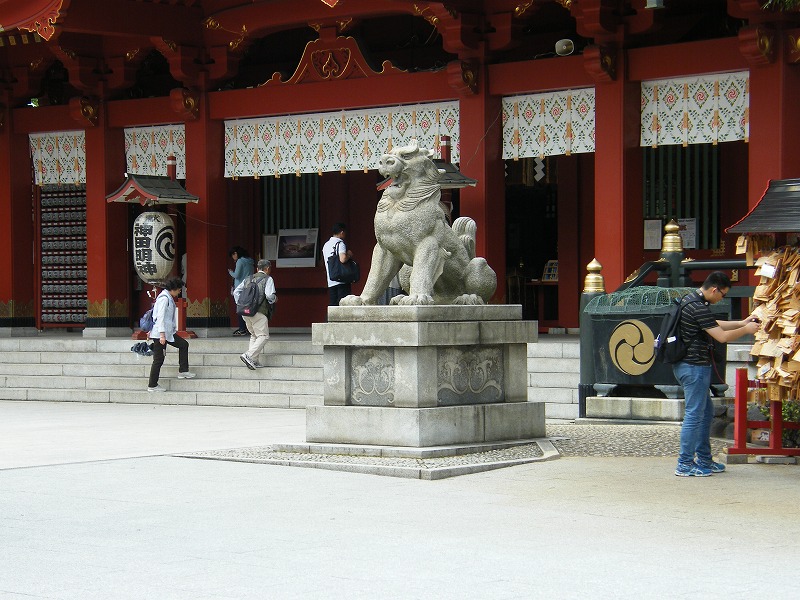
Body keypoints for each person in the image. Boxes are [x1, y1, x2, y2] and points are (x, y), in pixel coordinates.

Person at [673, 271, 760, 477]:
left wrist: (741, 322)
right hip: (694, 367)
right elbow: (721, 336)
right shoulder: (697, 306)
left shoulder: (691, 300)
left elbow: (713, 323)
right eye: (723, 294)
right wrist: (747, 330)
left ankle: (704, 459)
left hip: (689, 366)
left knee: (705, 414)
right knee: (694, 415)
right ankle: (684, 464)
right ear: (714, 289)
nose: (722, 298)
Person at [147, 277, 195, 392]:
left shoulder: (167, 297)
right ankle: (152, 385)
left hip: (168, 333)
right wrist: (162, 335)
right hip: (161, 334)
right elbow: (160, 317)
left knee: (183, 344)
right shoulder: (164, 299)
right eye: (179, 290)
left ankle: (183, 370)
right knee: (158, 359)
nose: (179, 292)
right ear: (173, 289)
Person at [234, 259, 277, 370]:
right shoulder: (268, 279)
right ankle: (249, 355)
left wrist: (241, 304)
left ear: (257, 269)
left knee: (254, 335)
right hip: (259, 312)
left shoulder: (248, 278)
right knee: (263, 336)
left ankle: (254, 360)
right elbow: (269, 295)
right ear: (267, 268)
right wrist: (274, 299)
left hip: (245, 312)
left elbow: (236, 292)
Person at [322, 222, 354, 306]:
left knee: (333, 305)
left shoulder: (326, 245)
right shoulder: (340, 243)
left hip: (331, 280)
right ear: (342, 232)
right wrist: (349, 255)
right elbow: (343, 259)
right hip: (341, 280)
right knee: (343, 305)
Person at [228, 246, 254, 335]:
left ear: (236, 253)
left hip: (240, 287)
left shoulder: (240, 261)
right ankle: (249, 328)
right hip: (249, 286)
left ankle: (242, 328)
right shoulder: (250, 261)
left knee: (240, 308)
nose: (233, 257)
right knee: (247, 308)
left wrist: (230, 272)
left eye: (232, 255)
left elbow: (237, 275)